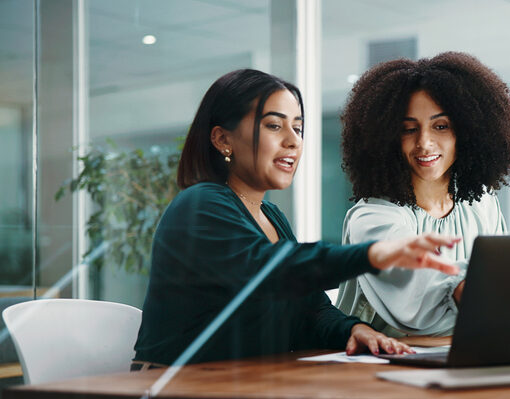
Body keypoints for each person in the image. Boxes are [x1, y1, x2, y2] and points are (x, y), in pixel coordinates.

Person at [132, 69, 461, 369]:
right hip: (176, 389)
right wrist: (372, 254)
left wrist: (354, 329)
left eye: (298, 127)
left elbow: (311, 308)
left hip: (244, 385)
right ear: (222, 139)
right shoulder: (198, 205)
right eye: (274, 125)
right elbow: (272, 270)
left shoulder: (270, 215)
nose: (293, 141)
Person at [335, 52, 510, 337]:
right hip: (376, 371)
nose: (424, 143)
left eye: (441, 126)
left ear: (468, 132)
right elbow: (422, 292)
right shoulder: (372, 218)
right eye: (408, 129)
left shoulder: (483, 203)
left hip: (466, 358)